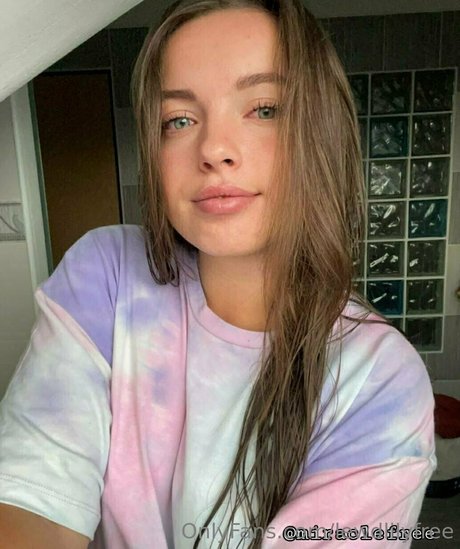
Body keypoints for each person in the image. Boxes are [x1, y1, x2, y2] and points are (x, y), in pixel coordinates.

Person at [0, 0, 436, 547]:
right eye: (179, 120)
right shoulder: (106, 276)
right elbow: (33, 499)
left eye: (264, 109)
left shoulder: (379, 379)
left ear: (321, 131)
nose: (213, 150)